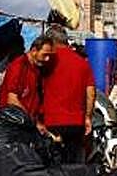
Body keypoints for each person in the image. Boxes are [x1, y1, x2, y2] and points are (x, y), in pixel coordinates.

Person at [40, 24, 96, 162]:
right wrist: (88, 117)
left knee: (52, 164)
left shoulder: (47, 61)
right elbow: (91, 93)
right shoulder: (82, 63)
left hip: (50, 121)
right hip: (76, 123)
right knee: (74, 166)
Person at [0, 34, 54, 123]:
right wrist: (31, 120)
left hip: (26, 122)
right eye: (45, 55)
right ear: (34, 51)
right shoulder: (18, 66)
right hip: (12, 122)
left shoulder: (36, 69)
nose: (47, 59)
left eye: (49, 56)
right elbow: (12, 100)